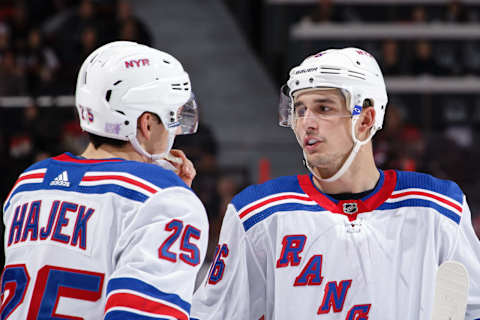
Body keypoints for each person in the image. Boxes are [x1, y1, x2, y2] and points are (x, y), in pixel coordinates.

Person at [191, 48, 480, 319]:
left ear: (366, 118)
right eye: (300, 109)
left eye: (324, 108)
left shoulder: (437, 207)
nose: (307, 122)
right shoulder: (258, 214)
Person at [2, 41, 209, 319]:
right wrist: (172, 198)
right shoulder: (164, 198)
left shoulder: (29, 182)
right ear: (146, 124)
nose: (176, 130)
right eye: (172, 117)